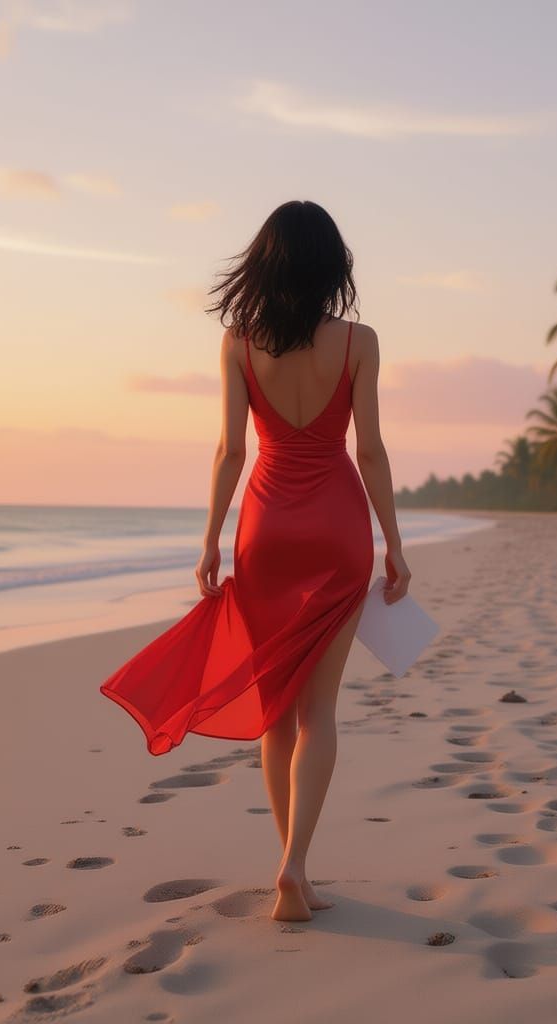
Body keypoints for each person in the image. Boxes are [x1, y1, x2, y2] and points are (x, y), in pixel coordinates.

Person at [100, 199, 410, 922]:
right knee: (321, 711)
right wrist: (393, 540)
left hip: (266, 530)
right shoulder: (360, 341)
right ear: (334, 263)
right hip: (337, 527)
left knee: (275, 714)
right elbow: (368, 450)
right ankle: (297, 865)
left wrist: (210, 536)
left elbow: (231, 451)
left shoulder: (238, 342)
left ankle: (289, 867)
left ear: (263, 263)